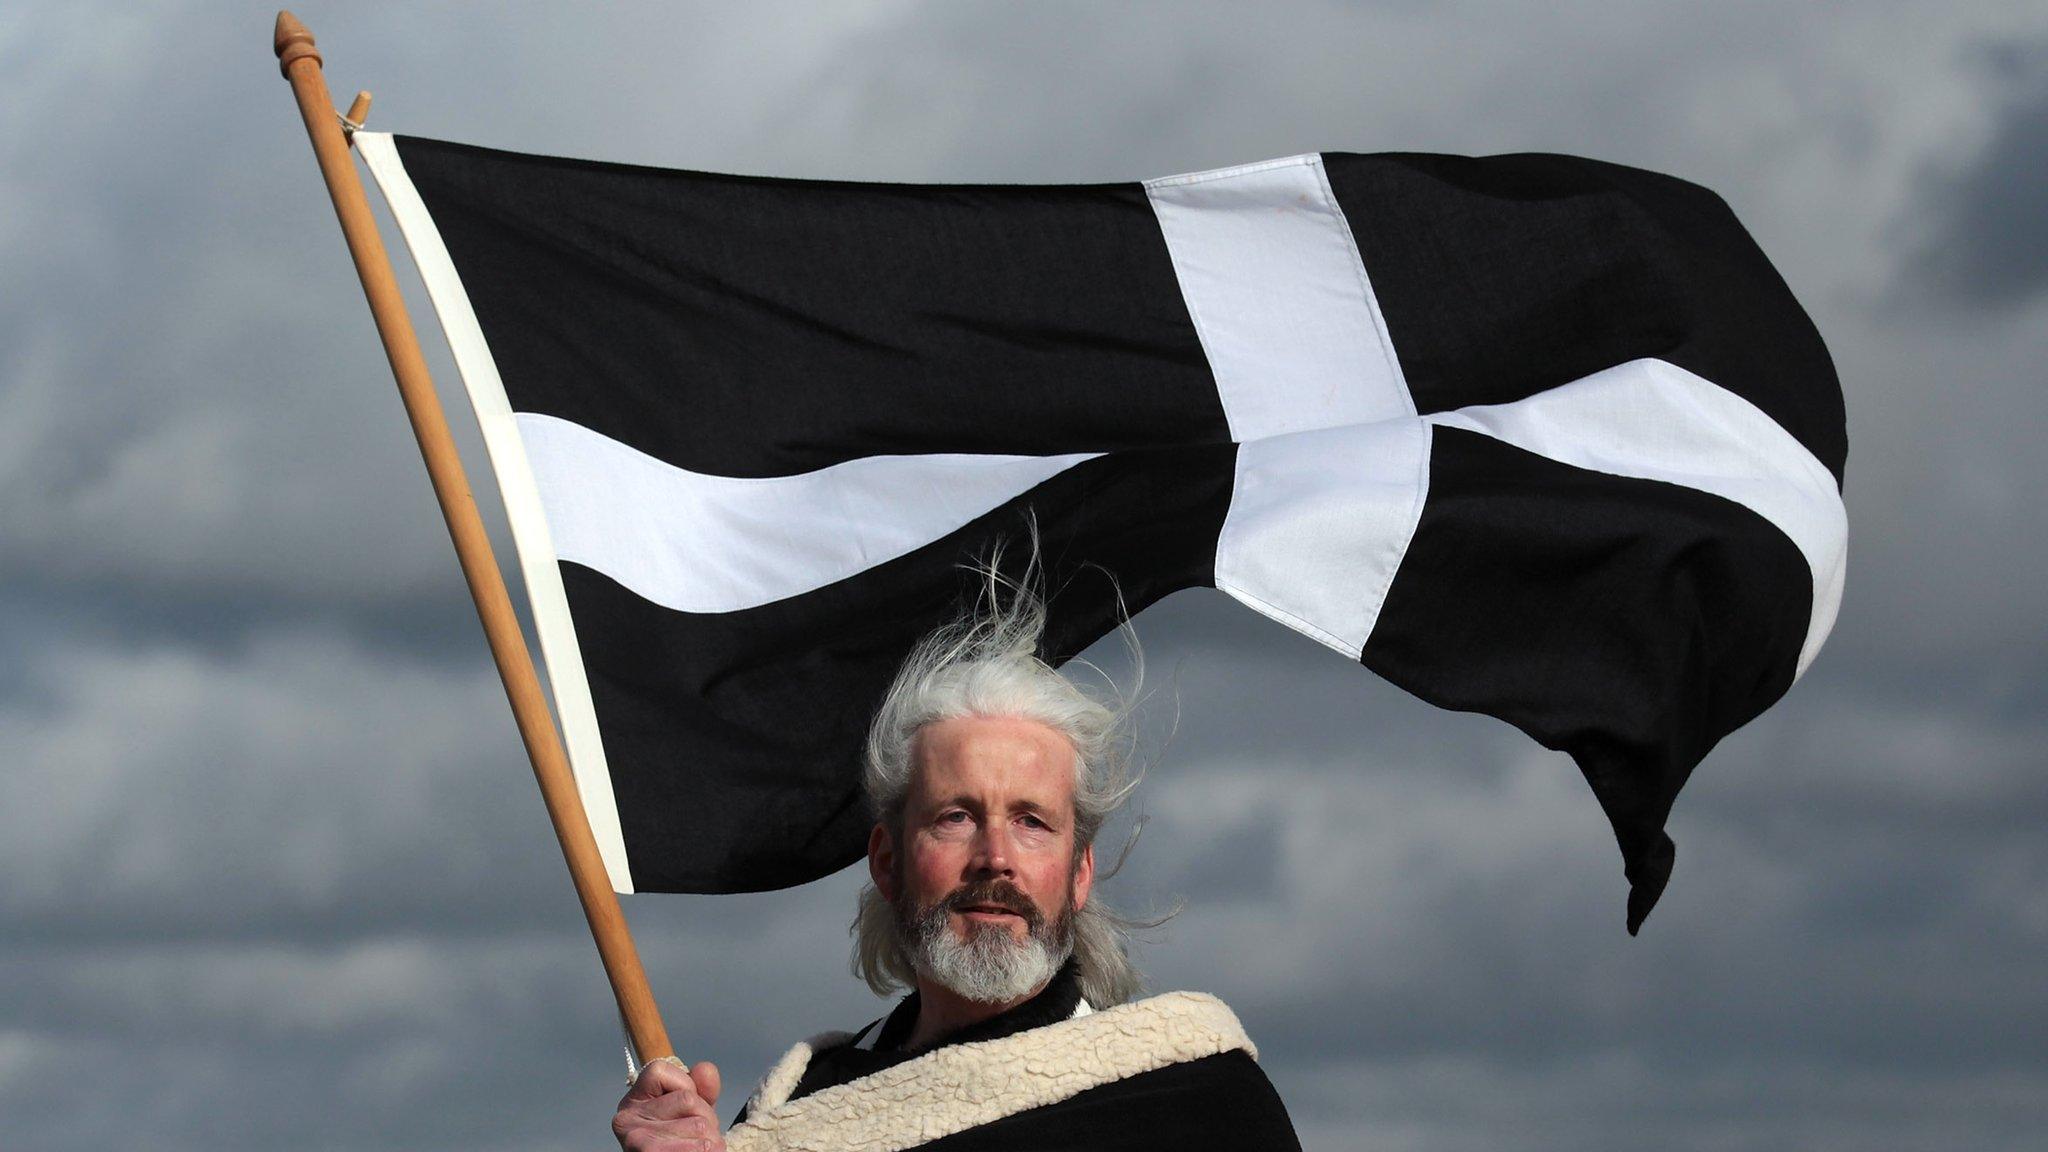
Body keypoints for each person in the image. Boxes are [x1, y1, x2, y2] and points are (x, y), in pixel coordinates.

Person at [611, 571, 1301, 1151]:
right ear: (886, 860)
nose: (995, 859)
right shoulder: (799, 1110)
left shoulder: (1196, 1105)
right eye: (956, 817)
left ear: (1079, 873)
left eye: (1032, 823)